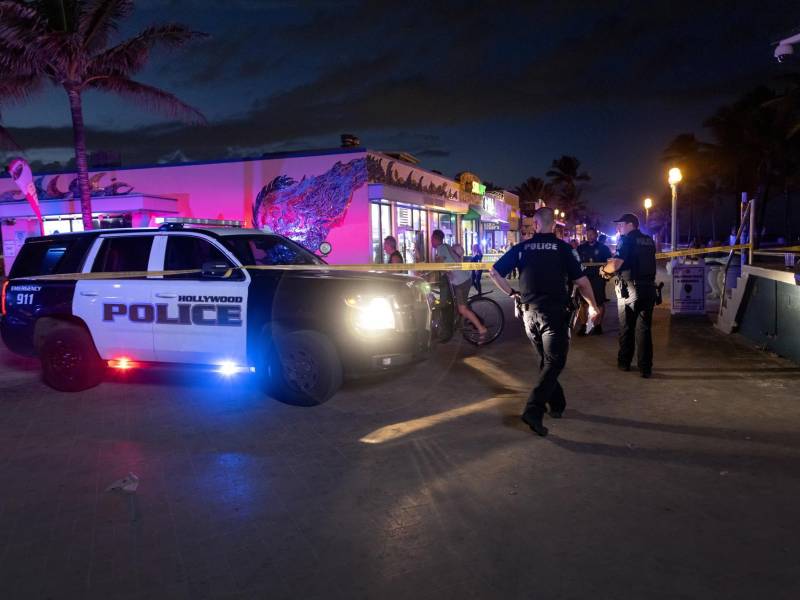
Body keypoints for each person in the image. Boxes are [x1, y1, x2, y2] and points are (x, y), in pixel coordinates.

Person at [489, 207, 600, 437]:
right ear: (553, 225)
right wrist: (594, 306)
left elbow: (494, 272)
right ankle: (533, 410)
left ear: (536, 225)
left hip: (529, 316)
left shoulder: (522, 248)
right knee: (554, 363)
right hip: (554, 316)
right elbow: (582, 282)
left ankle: (557, 405)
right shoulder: (563, 249)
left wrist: (512, 294)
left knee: (547, 360)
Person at [599, 213, 657, 378]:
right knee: (644, 329)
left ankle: (624, 362)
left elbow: (617, 264)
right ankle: (646, 368)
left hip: (630, 290)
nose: (618, 228)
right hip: (649, 288)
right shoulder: (648, 240)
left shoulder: (626, 239)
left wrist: (604, 270)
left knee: (626, 328)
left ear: (630, 224)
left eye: (621, 224)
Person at [432, 229, 489, 340]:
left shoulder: (440, 249)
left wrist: (443, 270)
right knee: (461, 307)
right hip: (463, 279)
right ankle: (473, 323)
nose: (431, 242)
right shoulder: (446, 246)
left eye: (432, 239)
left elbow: (440, 264)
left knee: (462, 309)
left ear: (435, 238)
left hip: (461, 282)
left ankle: (481, 328)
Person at [575, 227, 612, 335]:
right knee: (583, 303)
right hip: (584, 279)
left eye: (591, 234)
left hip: (598, 279)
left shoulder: (604, 248)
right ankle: (583, 326)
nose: (589, 236)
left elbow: (609, 263)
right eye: (588, 234)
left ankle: (598, 325)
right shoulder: (581, 248)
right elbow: (575, 262)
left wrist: (607, 275)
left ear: (596, 235)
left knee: (599, 302)